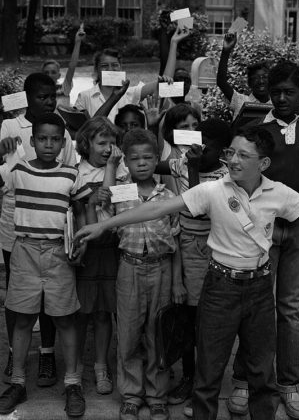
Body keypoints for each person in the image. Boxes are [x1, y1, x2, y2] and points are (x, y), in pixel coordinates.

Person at [74, 123, 299, 420]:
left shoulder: (278, 193)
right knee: (208, 373)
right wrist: (104, 224)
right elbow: (156, 208)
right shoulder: (213, 191)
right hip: (220, 288)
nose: (233, 160)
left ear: (263, 163)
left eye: (242, 155)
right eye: (231, 153)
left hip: (259, 291)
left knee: (262, 372)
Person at [230, 60, 299, 420]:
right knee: (255, 306)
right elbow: (240, 177)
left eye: (289, 92)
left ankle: (288, 385)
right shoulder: (255, 130)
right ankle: (245, 380)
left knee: (291, 308)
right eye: (276, 91)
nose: (281, 98)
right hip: (261, 227)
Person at [0, 112, 86, 417]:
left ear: (63, 143)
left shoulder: (71, 175)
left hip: (58, 254)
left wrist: (82, 243)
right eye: (42, 139)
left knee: (64, 319)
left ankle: (73, 383)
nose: (49, 145)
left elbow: (82, 211)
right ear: (32, 140)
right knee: (23, 319)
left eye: (55, 140)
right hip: (23, 251)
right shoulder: (17, 169)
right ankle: (18, 381)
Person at [101, 128, 182, 420]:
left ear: (156, 159)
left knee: (158, 334)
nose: (142, 163)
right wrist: (110, 165)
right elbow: (104, 208)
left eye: (148, 157)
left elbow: (176, 242)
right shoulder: (121, 189)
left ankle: (157, 395)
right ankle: (132, 395)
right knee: (129, 334)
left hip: (160, 268)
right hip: (130, 268)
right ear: (126, 162)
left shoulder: (168, 195)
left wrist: (176, 281)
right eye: (134, 158)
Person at [155, 118, 233, 414]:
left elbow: (197, 207)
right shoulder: (181, 163)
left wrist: (191, 168)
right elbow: (149, 165)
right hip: (186, 247)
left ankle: (205, 380)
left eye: (205, 146)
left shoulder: (226, 175)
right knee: (187, 317)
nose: (196, 149)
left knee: (209, 321)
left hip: (213, 248)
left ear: (222, 150)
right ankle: (190, 377)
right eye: (193, 142)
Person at [70, 117, 127, 396]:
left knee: (104, 312)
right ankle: (76, 367)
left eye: (112, 142)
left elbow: (114, 201)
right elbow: (94, 202)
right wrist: (110, 170)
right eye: (101, 142)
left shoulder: (121, 169)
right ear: (86, 144)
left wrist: (113, 168)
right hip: (86, 247)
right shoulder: (76, 173)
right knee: (82, 312)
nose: (108, 148)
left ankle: (101, 365)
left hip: (111, 246)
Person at [73, 48, 166, 123]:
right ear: (97, 69)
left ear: (120, 68)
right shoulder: (85, 96)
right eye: (104, 65)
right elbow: (79, 130)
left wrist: (167, 80)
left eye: (115, 65)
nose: (110, 69)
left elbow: (162, 86)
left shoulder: (131, 93)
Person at [216, 32, 271, 119]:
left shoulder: (277, 105)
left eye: (264, 77)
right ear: (249, 83)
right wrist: (226, 51)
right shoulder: (241, 101)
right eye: (256, 78)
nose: (261, 81)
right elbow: (221, 82)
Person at [43, 24, 86, 108]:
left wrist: (77, 42)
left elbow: (72, 67)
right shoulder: (38, 92)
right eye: (46, 72)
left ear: (58, 75)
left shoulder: (64, 89)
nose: (49, 75)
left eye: (53, 72)